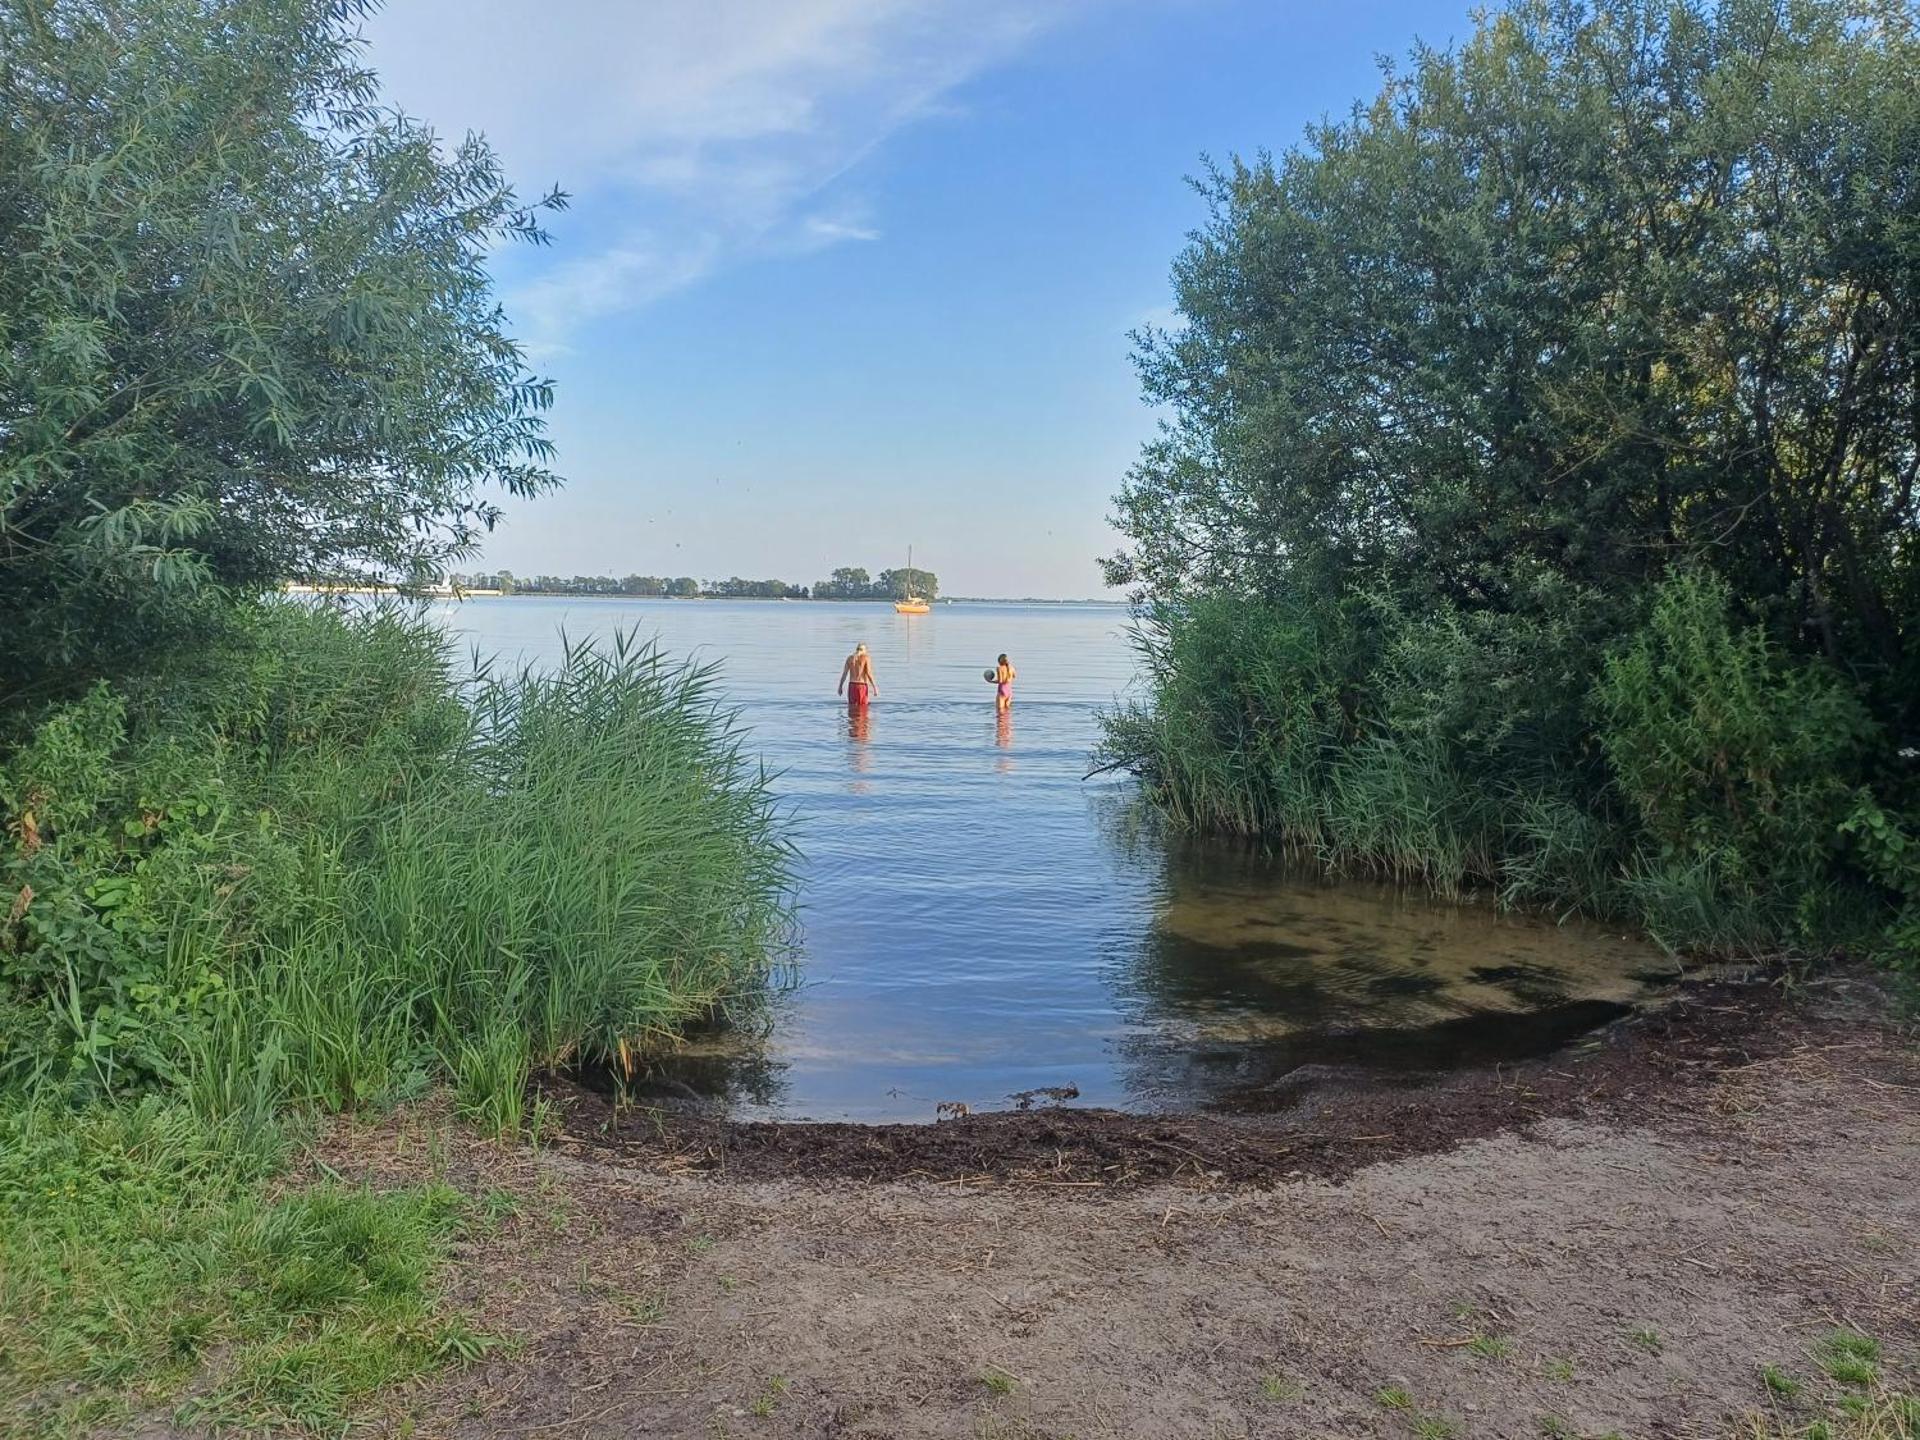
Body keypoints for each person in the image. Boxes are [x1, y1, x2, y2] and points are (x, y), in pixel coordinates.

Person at [839, 642, 878, 709]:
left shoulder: (849, 658)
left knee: (851, 707)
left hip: (852, 686)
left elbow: (844, 674)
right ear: (864, 650)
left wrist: (840, 686)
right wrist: (875, 687)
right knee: (863, 708)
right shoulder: (866, 658)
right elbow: (869, 673)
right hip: (861, 686)